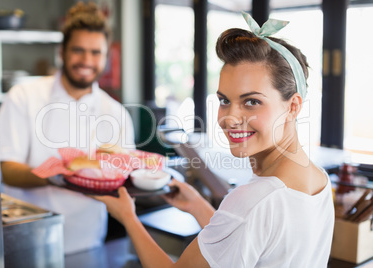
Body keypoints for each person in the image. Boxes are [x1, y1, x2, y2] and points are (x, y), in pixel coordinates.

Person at [93, 12, 334, 267]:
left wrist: (128, 217)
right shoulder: (318, 180)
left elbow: (250, 217)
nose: (230, 118)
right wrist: (198, 206)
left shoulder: (254, 199)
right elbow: (249, 241)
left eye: (252, 102)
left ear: (293, 106)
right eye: (224, 101)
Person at [0, 2, 135, 254]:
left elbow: (123, 175)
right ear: (62, 51)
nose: (87, 60)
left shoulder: (116, 113)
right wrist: (60, 174)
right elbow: (4, 168)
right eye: (78, 50)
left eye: (95, 52)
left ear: (106, 56)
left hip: (88, 242)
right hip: (26, 241)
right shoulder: (24, 96)